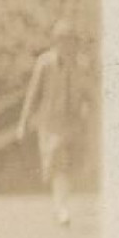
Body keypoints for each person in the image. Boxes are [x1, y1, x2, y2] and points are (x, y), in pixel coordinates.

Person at [17, 19, 81, 226]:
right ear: (55, 42)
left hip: (71, 122)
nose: (67, 45)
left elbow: (89, 92)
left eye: (70, 41)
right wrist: (23, 122)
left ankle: (61, 206)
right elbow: (33, 94)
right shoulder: (45, 63)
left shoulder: (80, 64)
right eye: (62, 40)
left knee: (64, 165)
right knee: (56, 162)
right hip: (49, 123)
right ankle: (61, 207)